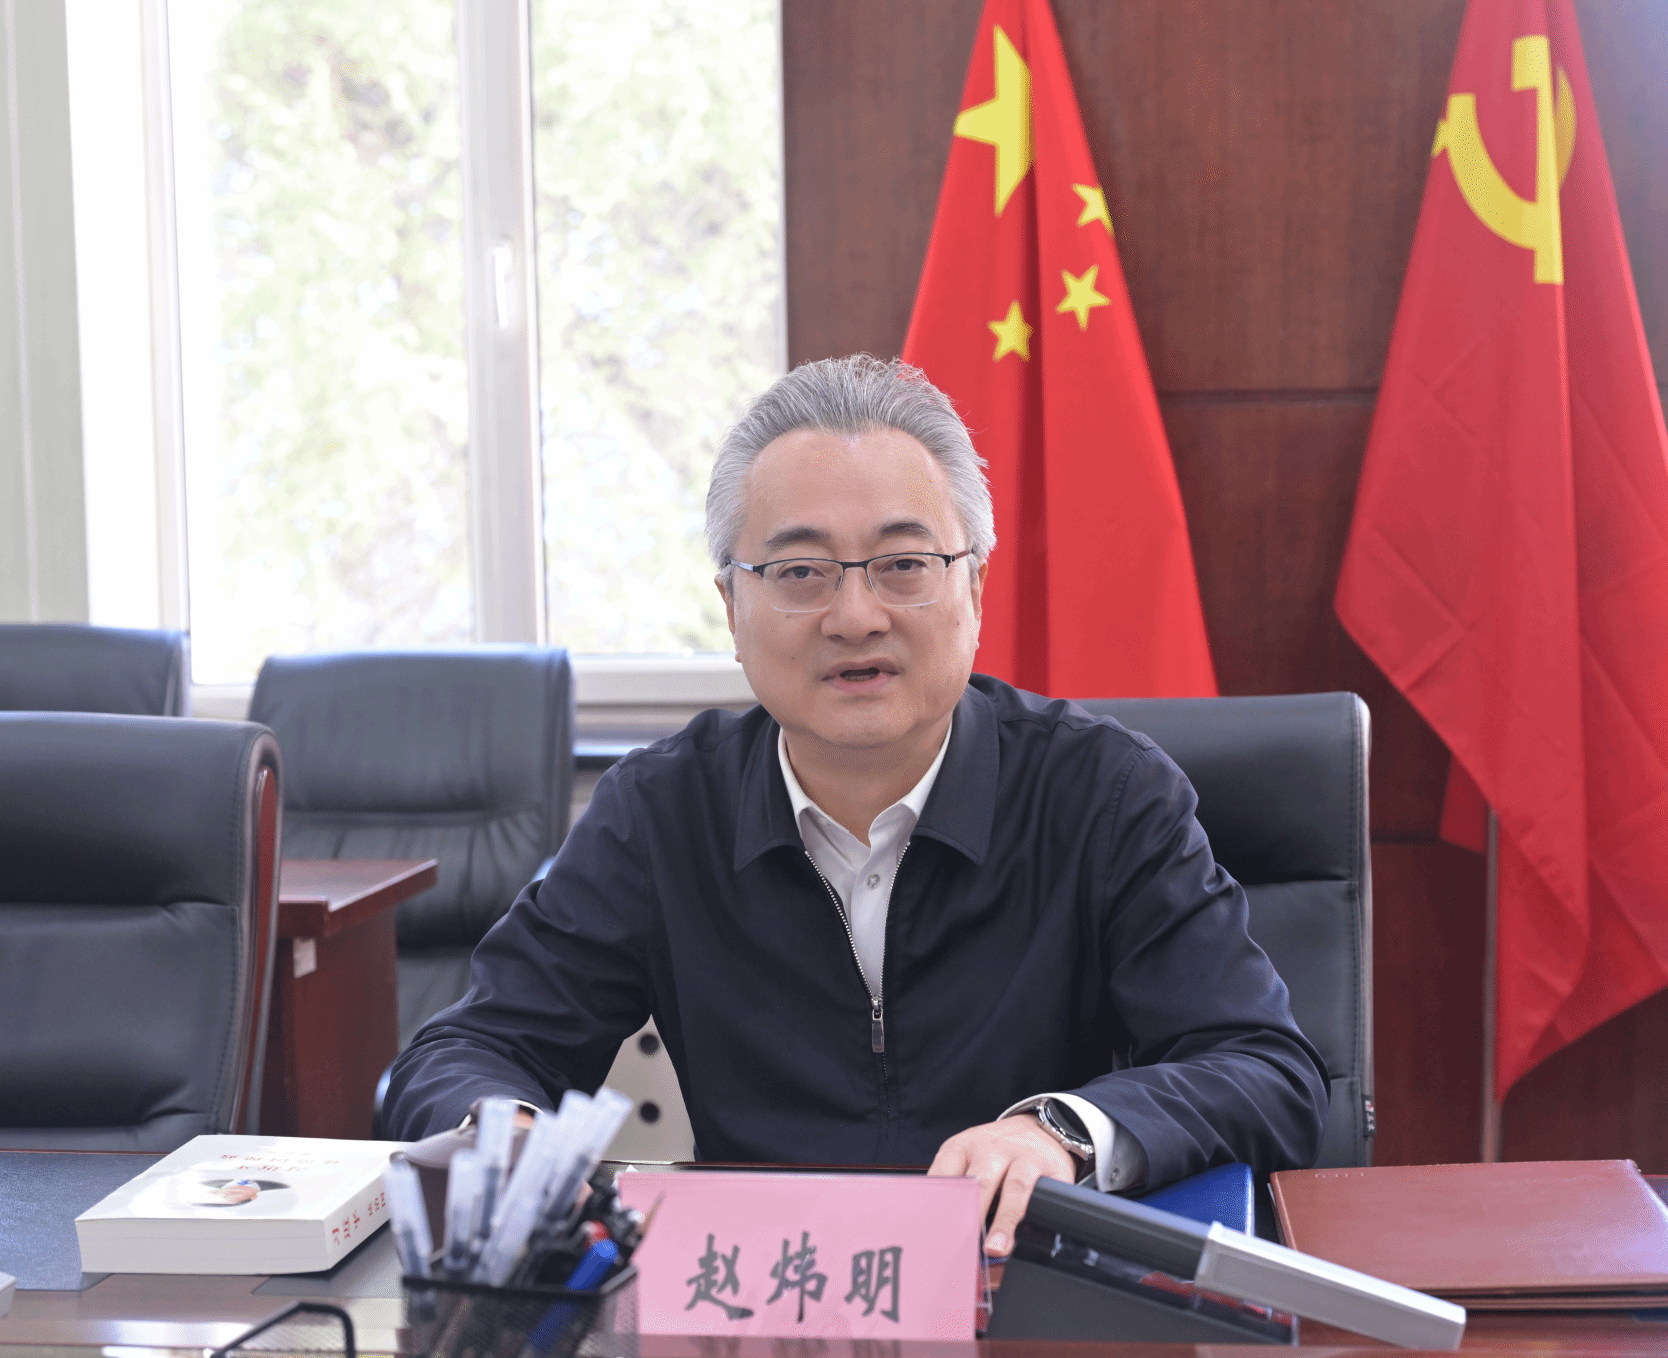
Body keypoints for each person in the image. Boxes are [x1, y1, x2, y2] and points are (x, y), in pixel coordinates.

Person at [382, 354, 1326, 1255]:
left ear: (974, 585)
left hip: (1030, 1301)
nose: (856, 616)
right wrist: (500, 1133)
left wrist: (1063, 1132)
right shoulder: (663, 811)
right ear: (732, 608)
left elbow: (1266, 1070)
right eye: (800, 572)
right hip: (764, 1308)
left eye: (903, 564)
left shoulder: (1104, 794)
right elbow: (468, 1047)